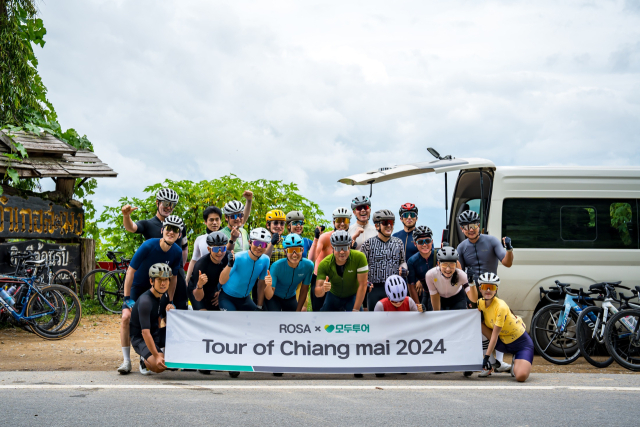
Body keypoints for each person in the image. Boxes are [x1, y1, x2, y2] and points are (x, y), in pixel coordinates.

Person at [117, 216, 183, 374]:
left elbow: (173, 278)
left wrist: (171, 300)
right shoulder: (148, 245)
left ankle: (153, 355)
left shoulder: (177, 251)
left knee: (163, 317)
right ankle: (126, 360)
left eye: (175, 230)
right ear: (162, 230)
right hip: (138, 287)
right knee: (126, 317)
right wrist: (128, 299)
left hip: (158, 289)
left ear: (179, 235)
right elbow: (131, 271)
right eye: (168, 228)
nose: (171, 232)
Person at [457, 209, 514, 373]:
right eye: (466, 227)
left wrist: (509, 249)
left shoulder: (492, 241)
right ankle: (488, 363)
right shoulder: (461, 247)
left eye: (473, 225)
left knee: (498, 325)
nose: (470, 229)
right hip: (474, 292)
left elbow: (507, 263)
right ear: (462, 229)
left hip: (491, 290)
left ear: (479, 225)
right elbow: (460, 275)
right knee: (480, 328)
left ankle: (500, 362)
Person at [121, 188, 189, 309]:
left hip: (174, 273)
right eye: (166, 203)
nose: (169, 207)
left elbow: (184, 247)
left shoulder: (179, 225)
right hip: (154, 276)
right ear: (157, 202)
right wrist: (126, 216)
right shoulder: (148, 224)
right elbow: (131, 228)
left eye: (172, 204)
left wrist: (181, 266)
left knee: (178, 309)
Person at [477, 272, 533, 382]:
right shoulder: (480, 303)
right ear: (480, 289)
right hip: (502, 343)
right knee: (478, 324)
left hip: (521, 343)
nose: (488, 290)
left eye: (491, 287)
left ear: (496, 290)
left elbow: (494, 336)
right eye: (484, 287)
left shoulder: (501, 306)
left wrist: (486, 358)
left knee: (520, 377)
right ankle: (493, 364)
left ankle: (516, 359)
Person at [129, 263, 172, 375]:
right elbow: (145, 332)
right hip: (141, 338)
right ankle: (144, 359)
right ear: (151, 281)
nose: (163, 283)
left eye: (166, 280)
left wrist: (171, 311)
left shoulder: (165, 295)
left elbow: (167, 320)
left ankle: (159, 352)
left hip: (156, 333)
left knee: (180, 333)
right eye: (159, 280)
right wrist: (157, 356)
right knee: (160, 366)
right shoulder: (145, 301)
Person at [360, 209, 407, 310]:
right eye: (385, 223)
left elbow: (402, 262)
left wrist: (404, 269)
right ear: (377, 226)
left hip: (395, 288)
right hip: (374, 288)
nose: (389, 226)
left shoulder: (398, 243)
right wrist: (366, 282)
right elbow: (361, 267)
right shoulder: (368, 244)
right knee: (374, 321)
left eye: (391, 223)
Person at [307, 207, 351, 311]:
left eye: (345, 220)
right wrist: (316, 238)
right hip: (321, 278)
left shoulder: (349, 239)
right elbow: (311, 258)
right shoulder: (326, 237)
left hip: (338, 280)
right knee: (318, 313)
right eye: (339, 220)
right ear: (333, 222)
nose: (342, 224)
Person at [218, 227, 271, 312]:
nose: (259, 247)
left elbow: (261, 284)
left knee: (258, 317)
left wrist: (259, 306)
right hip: (227, 297)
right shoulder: (238, 257)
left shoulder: (265, 260)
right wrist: (229, 264)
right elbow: (222, 281)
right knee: (232, 322)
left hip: (244, 299)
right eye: (256, 243)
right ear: (250, 242)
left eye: (263, 245)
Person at [315, 230, 369, 312]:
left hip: (352, 296)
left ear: (350, 246)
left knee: (358, 320)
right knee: (323, 319)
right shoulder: (325, 263)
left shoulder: (360, 257)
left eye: (345, 247)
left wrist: (356, 309)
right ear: (332, 248)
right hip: (333, 295)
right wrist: (323, 289)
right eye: (338, 248)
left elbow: (363, 284)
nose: (342, 251)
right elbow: (317, 292)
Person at [264, 234, 314, 312]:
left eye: (297, 250)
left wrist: (298, 311)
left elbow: (304, 290)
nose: (294, 254)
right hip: (274, 297)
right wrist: (268, 285)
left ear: (302, 250)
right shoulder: (276, 266)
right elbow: (268, 296)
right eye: (290, 251)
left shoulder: (308, 266)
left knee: (295, 320)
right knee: (274, 320)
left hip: (291, 297)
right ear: (285, 251)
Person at [186, 206, 232, 285]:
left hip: (224, 282)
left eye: (217, 219)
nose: (214, 222)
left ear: (221, 221)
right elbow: (194, 260)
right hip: (205, 281)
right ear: (205, 222)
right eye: (211, 220)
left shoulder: (228, 237)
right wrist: (186, 280)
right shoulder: (200, 239)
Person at [426, 247, 478, 311]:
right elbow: (435, 297)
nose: (448, 269)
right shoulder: (431, 275)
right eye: (444, 265)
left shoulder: (461, 275)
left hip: (457, 298)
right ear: (438, 264)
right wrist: (437, 315)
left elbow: (474, 299)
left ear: (456, 264)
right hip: (440, 297)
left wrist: (471, 282)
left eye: (452, 265)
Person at [189, 232, 229, 311]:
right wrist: (200, 285)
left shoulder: (228, 258)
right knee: (204, 315)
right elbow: (198, 297)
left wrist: (222, 293)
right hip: (198, 291)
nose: (220, 253)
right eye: (216, 249)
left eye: (223, 248)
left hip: (215, 290)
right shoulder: (201, 265)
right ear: (208, 249)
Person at [406, 226, 437, 310]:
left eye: (427, 241)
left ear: (432, 242)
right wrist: (417, 306)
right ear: (415, 244)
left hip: (443, 294)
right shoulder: (412, 261)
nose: (424, 244)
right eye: (420, 242)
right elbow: (411, 286)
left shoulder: (439, 256)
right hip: (426, 294)